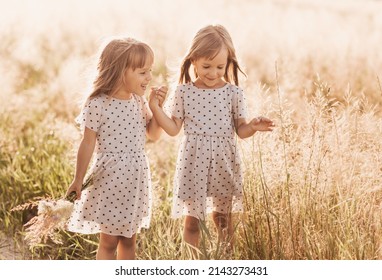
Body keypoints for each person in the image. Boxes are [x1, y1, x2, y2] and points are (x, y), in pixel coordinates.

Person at [149, 24, 275, 255]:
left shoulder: (233, 93)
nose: (213, 73)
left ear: (228, 63)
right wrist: (156, 108)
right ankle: (192, 261)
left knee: (223, 218)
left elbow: (241, 130)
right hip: (193, 162)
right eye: (206, 66)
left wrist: (254, 126)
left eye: (220, 66)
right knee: (192, 219)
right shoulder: (184, 92)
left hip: (223, 161)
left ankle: (226, 258)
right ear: (193, 60)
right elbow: (174, 129)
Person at [65, 37, 167, 260]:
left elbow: (153, 135)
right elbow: (87, 143)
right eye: (142, 72)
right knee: (109, 241)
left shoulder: (138, 102)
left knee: (130, 239)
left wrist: (155, 107)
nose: (149, 77)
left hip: (135, 179)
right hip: (109, 179)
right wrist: (78, 179)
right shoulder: (98, 104)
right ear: (121, 72)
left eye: (149, 71)